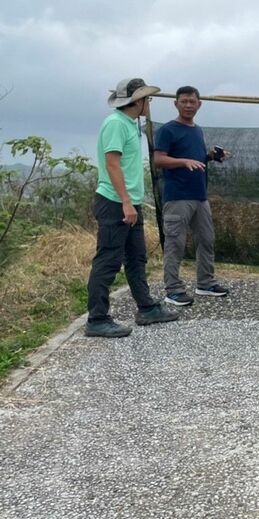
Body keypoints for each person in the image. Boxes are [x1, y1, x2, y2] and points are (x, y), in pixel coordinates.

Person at [86, 78, 179, 338]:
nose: (149, 103)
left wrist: (131, 202)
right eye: (147, 99)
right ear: (137, 101)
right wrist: (126, 202)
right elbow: (112, 164)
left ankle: (147, 308)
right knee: (108, 260)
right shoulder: (116, 124)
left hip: (129, 202)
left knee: (136, 258)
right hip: (115, 202)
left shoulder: (129, 124)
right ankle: (97, 318)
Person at [153, 86, 230, 306]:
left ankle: (205, 283)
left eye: (192, 102)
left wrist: (213, 157)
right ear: (175, 103)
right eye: (184, 101)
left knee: (206, 240)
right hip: (177, 196)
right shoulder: (168, 130)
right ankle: (173, 290)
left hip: (200, 196)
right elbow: (158, 160)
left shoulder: (197, 130)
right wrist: (183, 161)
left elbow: (197, 158)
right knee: (175, 243)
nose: (188, 105)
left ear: (199, 104)